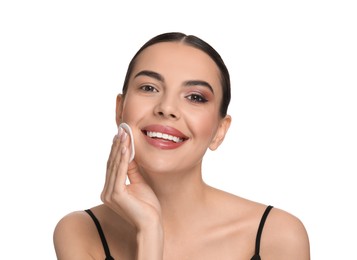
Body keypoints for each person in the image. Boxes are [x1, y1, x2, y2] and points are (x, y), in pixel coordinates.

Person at [53, 32, 310, 260]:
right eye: (149, 87)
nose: (166, 108)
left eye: (195, 97)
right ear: (120, 109)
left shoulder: (277, 235)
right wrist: (150, 230)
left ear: (220, 131)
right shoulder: (80, 231)